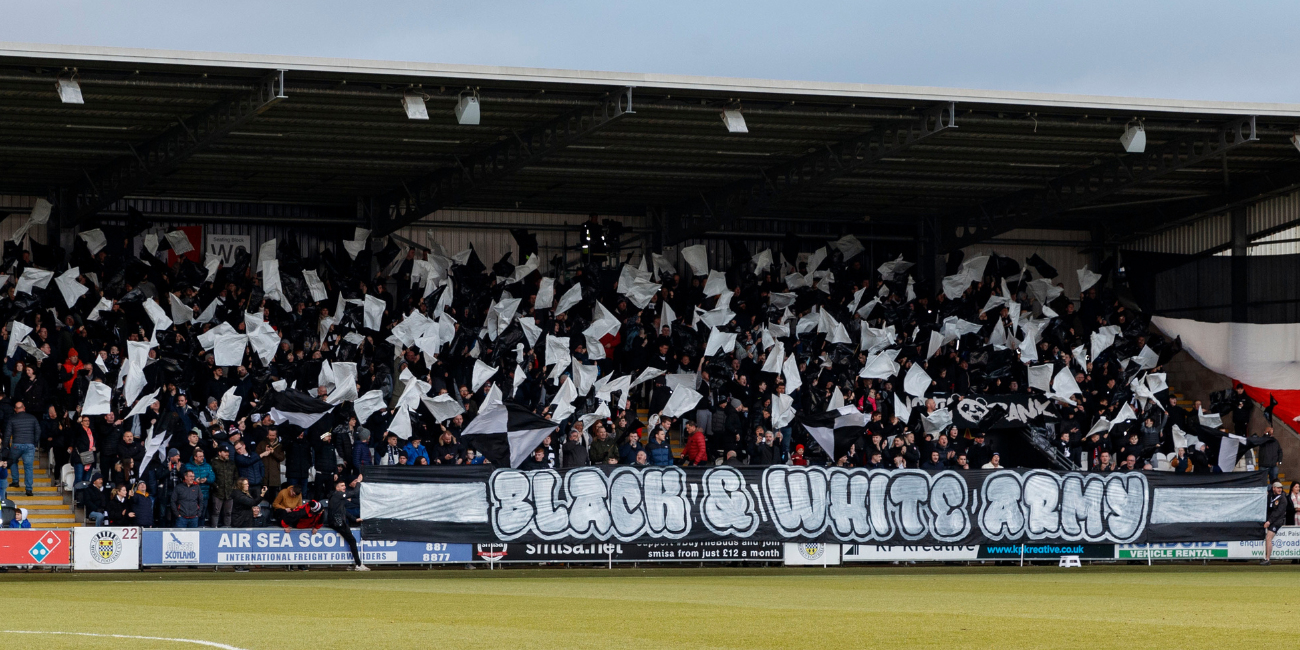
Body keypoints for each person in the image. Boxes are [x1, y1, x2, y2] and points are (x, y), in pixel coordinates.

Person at [322, 478, 366, 571]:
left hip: (336, 521)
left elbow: (343, 511)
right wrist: (358, 482)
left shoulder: (336, 496)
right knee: (352, 541)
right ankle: (358, 564)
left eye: (344, 485)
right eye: (342, 486)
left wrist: (354, 519)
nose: (344, 487)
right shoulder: (338, 495)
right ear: (337, 488)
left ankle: (351, 564)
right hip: (338, 522)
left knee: (350, 541)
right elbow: (354, 493)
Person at [4, 401, 39, 496]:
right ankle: (28, 489)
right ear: (24, 408)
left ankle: (15, 481)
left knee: (13, 461)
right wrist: (34, 443)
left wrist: (5, 446)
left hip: (16, 445)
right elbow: (38, 431)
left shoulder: (12, 419)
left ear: (15, 409)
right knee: (28, 467)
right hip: (29, 445)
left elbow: (7, 434)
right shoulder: (32, 418)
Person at [1263, 481, 1288, 565]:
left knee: (1268, 538)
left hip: (1276, 521)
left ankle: (1267, 559)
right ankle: (1266, 557)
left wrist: (1269, 521)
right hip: (1270, 520)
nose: (1279, 489)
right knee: (1267, 538)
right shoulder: (1270, 496)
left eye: (1280, 488)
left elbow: (1278, 512)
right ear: (1273, 488)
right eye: (1278, 488)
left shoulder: (1283, 499)